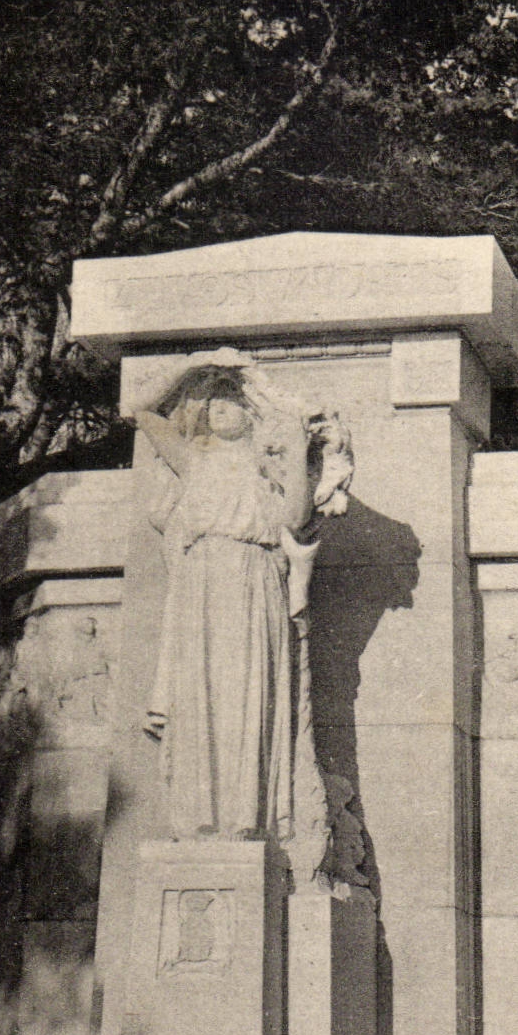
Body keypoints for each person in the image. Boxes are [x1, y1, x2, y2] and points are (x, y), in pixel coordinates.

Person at [136, 349, 352, 854]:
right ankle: (197, 820)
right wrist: (193, 364)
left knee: (249, 698)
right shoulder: (192, 460)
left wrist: (296, 453)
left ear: (250, 413)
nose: (219, 411)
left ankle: (245, 820)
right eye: (210, 405)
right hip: (201, 583)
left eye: (230, 403)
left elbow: (295, 519)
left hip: (255, 581)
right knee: (199, 698)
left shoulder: (267, 466)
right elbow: (141, 412)